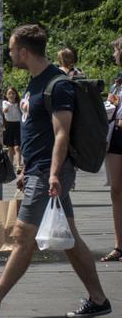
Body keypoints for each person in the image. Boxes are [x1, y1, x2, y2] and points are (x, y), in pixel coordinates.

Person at [0, 25, 111, 318]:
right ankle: (99, 300)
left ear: (24, 51)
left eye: (13, 49)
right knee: (69, 238)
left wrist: (52, 173)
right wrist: (24, 167)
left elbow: (61, 134)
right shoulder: (35, 82)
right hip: (37, 169)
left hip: (48, 172)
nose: (11, 54)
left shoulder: (58, 84)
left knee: (21, 234)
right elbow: (35, 132)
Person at [101, 36, 122, 263]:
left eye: (115, 50)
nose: (113, 55)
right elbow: (113, 103)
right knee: (116, 190)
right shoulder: (117, 79)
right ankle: (119, 246)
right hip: (115, 134)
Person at [2, 87, 23, 173]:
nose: (11, 95)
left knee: (17, 147)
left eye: (13, 93)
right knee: (10, 147)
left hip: (18, 125)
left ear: (16, 94)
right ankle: (10, 166)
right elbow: (4, 111)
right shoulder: (5, 103)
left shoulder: (18, 103)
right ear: (6, 95)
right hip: (8, 125)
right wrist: (5, 110)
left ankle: (18, 165)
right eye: (9, 93)